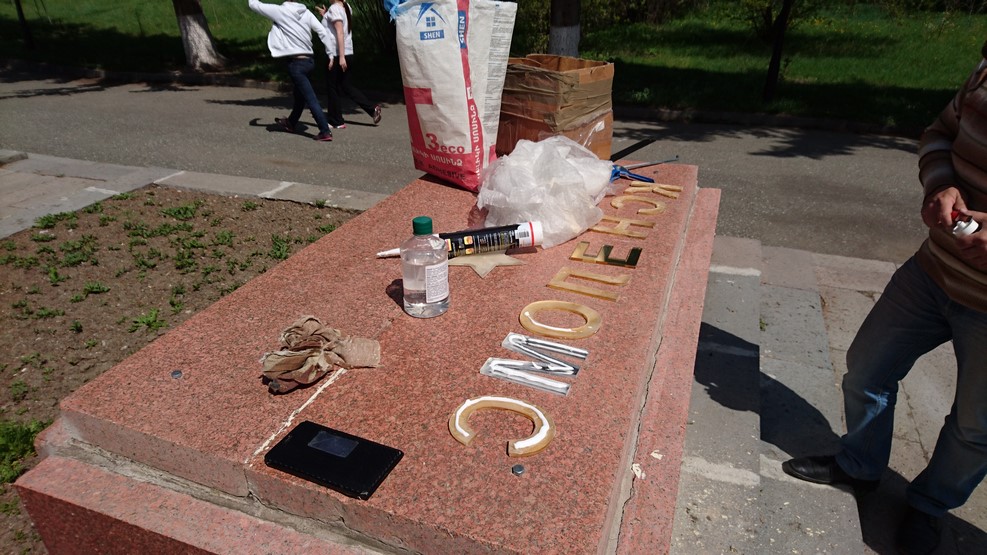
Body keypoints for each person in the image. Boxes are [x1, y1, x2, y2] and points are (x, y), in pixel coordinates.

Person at [782, 40, 987, 555]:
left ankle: (930, 505)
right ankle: (860, 466)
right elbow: (939, 133)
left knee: (975, 427)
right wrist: (940, 184)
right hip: (933, 272)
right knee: (866, 371)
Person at [248, 0, 335, 142]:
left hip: (296, 64)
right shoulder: (306, 12)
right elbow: (322, 31)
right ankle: (291, 122)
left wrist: (255, 122)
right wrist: (330, 54)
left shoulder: (280, 11)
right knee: (300, 95)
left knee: (310, 98)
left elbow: (254, 5)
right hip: (309, 61)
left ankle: (325, 131)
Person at [317, 0, 382, 129]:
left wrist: (341, 57)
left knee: (332, 87)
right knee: (345, 86)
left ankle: (336, 120)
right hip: (347, 52)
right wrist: (325, 15)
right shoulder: (345, 7)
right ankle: (372, 108)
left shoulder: (335, 8)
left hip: (337, 54)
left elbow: (340, 32)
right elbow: (337, 27)